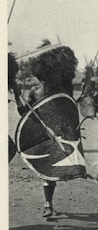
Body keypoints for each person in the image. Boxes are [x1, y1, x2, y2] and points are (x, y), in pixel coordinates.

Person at [22, 41, 79, 218]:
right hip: (44, 136)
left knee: (51, 171)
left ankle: (48, 204)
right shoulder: (37, 91)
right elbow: (25, 115)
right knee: (47, 172)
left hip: (56, 136)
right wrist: (17, 98)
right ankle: (48, 205)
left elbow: (68, 115)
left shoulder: (59, 92)